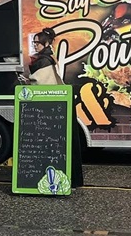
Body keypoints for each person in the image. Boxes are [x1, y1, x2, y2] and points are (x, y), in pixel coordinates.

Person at [23, 27, 85, 188]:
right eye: (34, 42)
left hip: (49, 107)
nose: (35, 45)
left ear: (46, 43)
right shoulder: (48, 57)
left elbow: (41, 84)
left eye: (37, 43)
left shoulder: (44, 61)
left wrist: (27, 83)